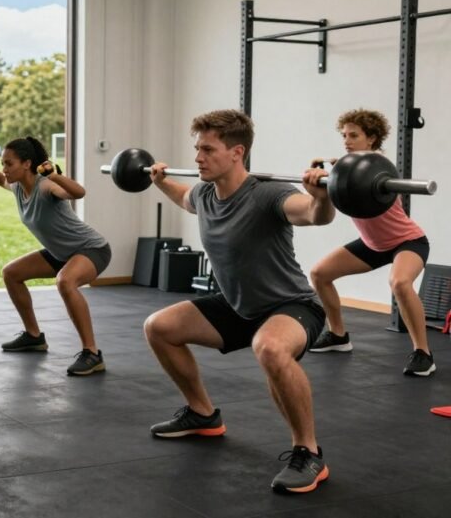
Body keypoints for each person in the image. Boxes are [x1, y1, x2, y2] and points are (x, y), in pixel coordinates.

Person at [142, 110, 334, 494]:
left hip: (290, 305)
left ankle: (308, 452)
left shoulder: (268, 194)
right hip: (238, 305)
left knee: (271, 348)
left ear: (236, 152)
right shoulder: (205, 194)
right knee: (159, 327)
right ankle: (202, 414)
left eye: (207, 149)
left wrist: (322, 196)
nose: (198, 157)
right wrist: (161, 181)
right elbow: (185, 198)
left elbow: (313, 216)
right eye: (196, 148)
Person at [0, 137, 111, 376]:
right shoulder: (17, 187)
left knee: (65, 281)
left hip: (91, 249)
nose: (5, 169)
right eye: (3, 163)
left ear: (26, 164)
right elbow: (1, 179)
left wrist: (54, 175)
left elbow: (78, 193)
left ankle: (92, 353)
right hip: (60, 253)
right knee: (11, 273)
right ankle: (33, 336)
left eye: (9, 163)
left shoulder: (45, 186)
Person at [308, 109, 434, 376]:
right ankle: (338, 336)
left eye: (354, 135)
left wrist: (335, 172)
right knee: (319, 274)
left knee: (400, 283)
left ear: (372, 138)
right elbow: (332, 196)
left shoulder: (377, 167)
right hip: (372, 245)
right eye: (344, 135)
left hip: (407, 242)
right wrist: (320, 179)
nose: (347, 140)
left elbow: (357, 173)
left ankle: (423, 353)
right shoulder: (345, 166)